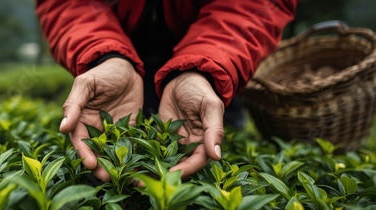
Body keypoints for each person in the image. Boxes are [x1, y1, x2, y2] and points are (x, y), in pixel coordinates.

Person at [36, 0, 297, 181]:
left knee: (206, 158)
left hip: (208, 70)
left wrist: (204, 67)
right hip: (122, 70)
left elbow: (256, 7)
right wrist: (105, 55)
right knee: (120, 170)